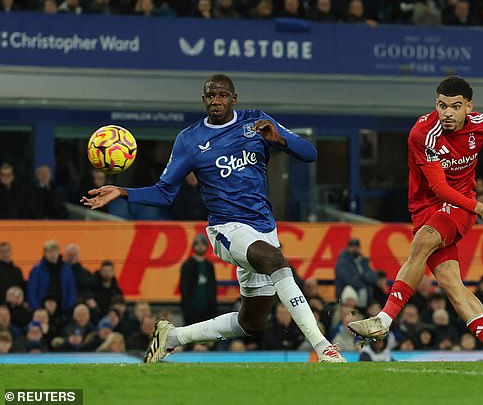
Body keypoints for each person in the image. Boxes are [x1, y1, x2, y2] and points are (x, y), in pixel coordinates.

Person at [81, 74, 344, 363]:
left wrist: (279, 140)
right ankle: (324, 347)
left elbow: (310, 153)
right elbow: (165, 193)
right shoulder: (190, 139)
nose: (215, 101)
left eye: (221, 95)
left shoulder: (256, 122)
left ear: (234, 98)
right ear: (204, 99)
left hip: (264, 229)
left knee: (252, 322)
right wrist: (121, 191)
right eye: (210, 96)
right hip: (226, 229)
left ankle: (172, 338)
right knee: (276, 261)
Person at [349, 76, 483, 361]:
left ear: (469, 107)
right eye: (442, 105)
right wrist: (482, 208)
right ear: (435, 103)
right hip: (427, 207)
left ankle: (383, 320)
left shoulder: (479, 124)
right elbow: (439, 188)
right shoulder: (423, 134)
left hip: (459, 205)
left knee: (423, 241)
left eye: (455, 106)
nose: (447, 113)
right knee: (452, 285)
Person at [27, 240, 77, 315]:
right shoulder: (36, 270)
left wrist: (68, 307)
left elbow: (72, 289)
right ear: (45, 253)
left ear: (58, 253)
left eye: (54, 251)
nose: (52, 254)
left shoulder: (66, 270)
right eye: (49, 252)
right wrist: (37, 308)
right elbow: (32, 291)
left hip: (63, 310)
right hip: (41, 311)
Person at [179, 234, 217, 325]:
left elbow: (212, 287)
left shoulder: (209, 265)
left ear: (206, 247)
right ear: (194, 246)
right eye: (197, 244)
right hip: (191, 310)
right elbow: (184, 287)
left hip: (207, 309)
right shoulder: (187, 264)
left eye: (202, 244)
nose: (200, 247)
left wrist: (213, 306)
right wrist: (186, 307)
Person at [334, 238, 377, 309]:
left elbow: (374, 278)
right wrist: (363, 282)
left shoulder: (362, 261)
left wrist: (362, 277)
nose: (354, 249)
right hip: (347, 300)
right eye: (352, 246)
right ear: (347, 247)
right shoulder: (342, 262)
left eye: (356, 246)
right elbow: (347, 279)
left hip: (365, 300)